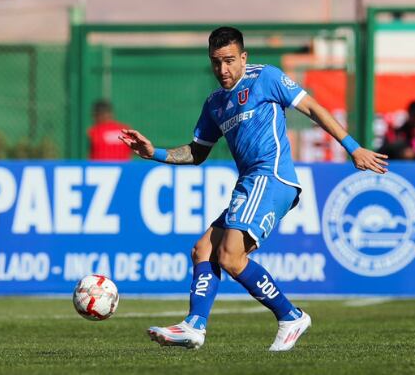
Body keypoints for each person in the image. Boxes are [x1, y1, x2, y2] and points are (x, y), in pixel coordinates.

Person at [119, 26, 388, 351]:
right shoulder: (215, 103)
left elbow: (315, 109)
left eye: (230, 60)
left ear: (243, 57)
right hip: (250, 182)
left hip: (271, 176)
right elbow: (196, 152)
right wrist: (155, 153)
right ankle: (194, 326)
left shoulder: (267, 78)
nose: (223, 70)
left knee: (230, 256)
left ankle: (291, 316)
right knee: (203, 250)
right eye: (216, 62)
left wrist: (353, 148)